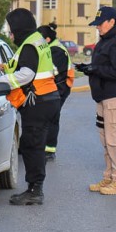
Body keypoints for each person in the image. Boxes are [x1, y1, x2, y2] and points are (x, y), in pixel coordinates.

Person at [0, 8, 59, 205]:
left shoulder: (29, 45)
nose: (10, 33)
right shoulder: (37, 40)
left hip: (37, 101)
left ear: (19, 27)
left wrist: (5, 80)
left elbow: (27, 74)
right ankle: (35, 188)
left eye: (11, 29)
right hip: (48, 99)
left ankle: (34, 190)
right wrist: (9, 68)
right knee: (34, 145)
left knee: (32, 147)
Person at [76, 6, 116, 196]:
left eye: (100, 24)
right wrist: (88, 68)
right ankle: (109, 177)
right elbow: (102, 65)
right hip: (103, 97)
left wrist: (94, 70)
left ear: (111, 22)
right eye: (96, 24)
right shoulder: (104, 42)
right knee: (106, 140)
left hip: (114, 97)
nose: (97, 27)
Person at [38, 23, 74, 162]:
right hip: (54, 87)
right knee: (45, 117)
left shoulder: (56, 51)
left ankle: (49, 149)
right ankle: (40, 146)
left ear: (47, 39)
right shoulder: (51, 48)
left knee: (52, 118)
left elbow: (50, 71)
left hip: (61, 88)